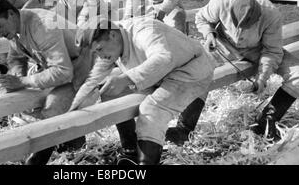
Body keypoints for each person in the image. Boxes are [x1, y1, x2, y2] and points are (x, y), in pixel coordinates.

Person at [0, 0, 96, 165]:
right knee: (33, 106)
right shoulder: (15, 28)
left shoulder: (42, 26)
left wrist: (23, 82)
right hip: (63, 66)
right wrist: (16, 77)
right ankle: (73, 144)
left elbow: (63, 72)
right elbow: (16, 58)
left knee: (53, 108)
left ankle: (37, 161)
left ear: (11, 14)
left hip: (84, 65)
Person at [74, 17, 215, 164]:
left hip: (190, 69)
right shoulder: (115, 41)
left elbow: (164, 58)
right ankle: (131, 151)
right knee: (109, 91)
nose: (100, 56)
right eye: (96, 53)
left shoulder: (144, 31)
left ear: (112, 35)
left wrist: (127, 79)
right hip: (160, 74)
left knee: (152, 110)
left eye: (100, 49)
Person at [195, 0, 299, 140]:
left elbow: (272, 51)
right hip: (221, 46)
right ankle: (184, 127)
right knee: (198, 70)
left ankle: (266, 121)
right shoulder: (220, 2)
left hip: (256, 50)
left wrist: (262, 78)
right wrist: (209, 34)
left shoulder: (271, 15)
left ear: (258, 18)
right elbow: (201, 18)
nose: (240, 30)